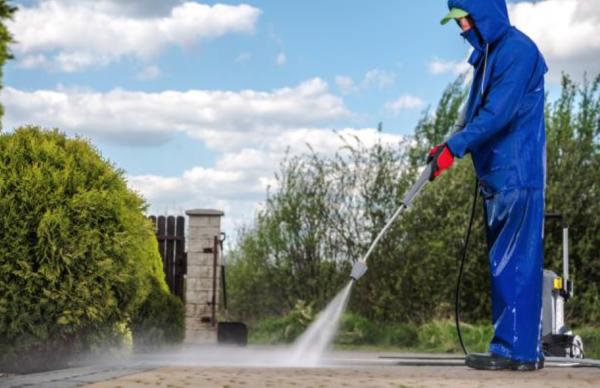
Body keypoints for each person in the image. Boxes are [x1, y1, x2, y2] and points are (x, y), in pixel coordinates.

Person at [427, 0, 548, 371]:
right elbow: (474, 116)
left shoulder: (516, 51)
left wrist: (456, 148)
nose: (462, 29)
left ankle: (517, 352)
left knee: (515, 264)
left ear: (485, 14)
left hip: (516, 172)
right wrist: (448, 145)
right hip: (499, 176)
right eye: (458, 23)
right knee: (504, 263)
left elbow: (498, 113)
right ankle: (517, 348)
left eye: (465, 20)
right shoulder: (489, 56)